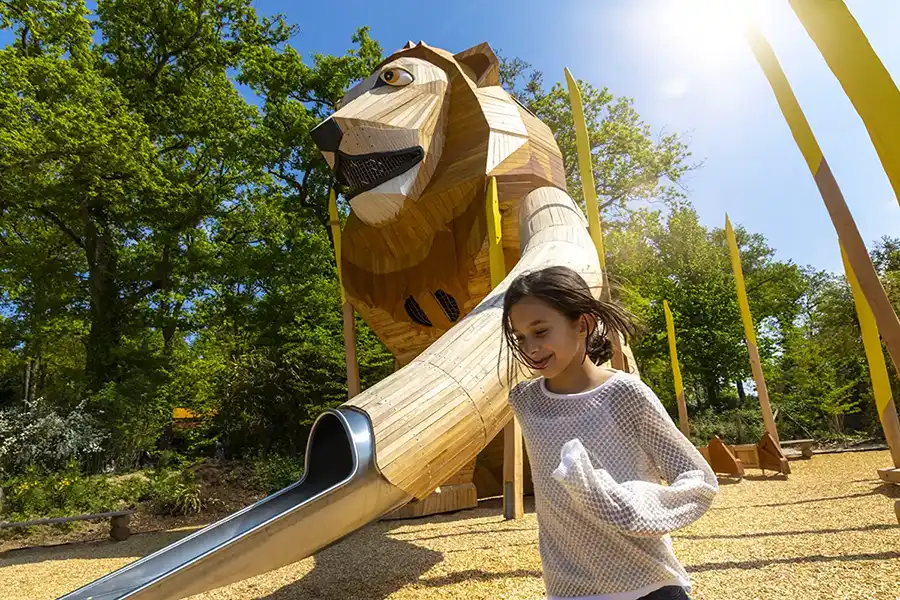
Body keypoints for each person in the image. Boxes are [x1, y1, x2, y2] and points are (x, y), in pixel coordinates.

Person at [500, 266, 718, 600]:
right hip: (569, 591)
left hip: (650, 586)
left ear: (583, 323)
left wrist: (630, 504)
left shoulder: (626, 394)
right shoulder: (526, 403)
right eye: (520, 338)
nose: (530, 348)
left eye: (541, 331)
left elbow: (697, 479)